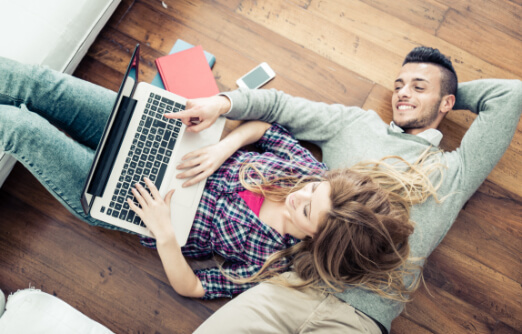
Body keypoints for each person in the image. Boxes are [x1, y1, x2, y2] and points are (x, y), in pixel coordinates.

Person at [0, 55, 437, 304]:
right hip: (159, 139)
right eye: (312, 189)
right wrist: (222, 148)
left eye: (306, 208)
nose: (300, 193)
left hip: (130, 202)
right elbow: (265, 129)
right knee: (40, 85)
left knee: (20, 128)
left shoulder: (274, 264)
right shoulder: (310, 174)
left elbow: (192, 286)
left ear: (315, 240)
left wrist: (166, 234)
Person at [163, 46, 522, 333]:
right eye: (398, 85)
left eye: (418, 86)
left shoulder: (454, 171)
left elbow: (511, 95)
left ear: (446, 102)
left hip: (358, 320)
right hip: (291, 287)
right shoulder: (355, 125)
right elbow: (280, 107)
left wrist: (447, 93)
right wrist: (223, 103)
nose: (402, 94)